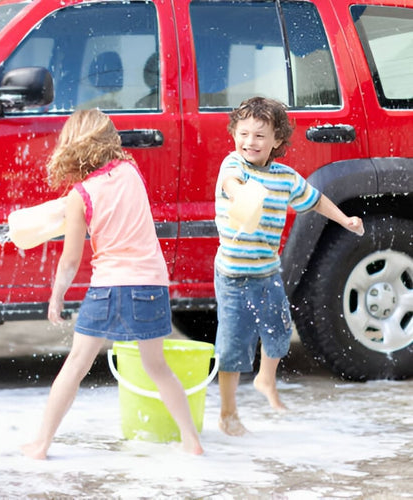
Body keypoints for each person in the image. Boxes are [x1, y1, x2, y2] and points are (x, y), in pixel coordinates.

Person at [21, 109, 203, 458]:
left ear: (72, 146)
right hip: (150, 284)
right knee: (157, 367)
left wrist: (56, 296)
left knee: (76, 365)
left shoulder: (80, 195)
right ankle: (191, 440)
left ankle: (41, 444)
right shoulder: (131, 171)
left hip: (108, 286)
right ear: (109, 141)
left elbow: (71, 259)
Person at [214, 96, 364, 436]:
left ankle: (266, 380)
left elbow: (316, 200)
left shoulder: (285, 178)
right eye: (244, 134)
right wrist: (240, 195)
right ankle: (228, 413)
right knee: (233, 345)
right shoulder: (233, 165)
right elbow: (229, 182)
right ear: (234, 135)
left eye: (259, 136)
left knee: (280, 330)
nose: (249, 142)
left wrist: (345, 219)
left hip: (267, 271)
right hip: (233, 274)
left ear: (277, 141)